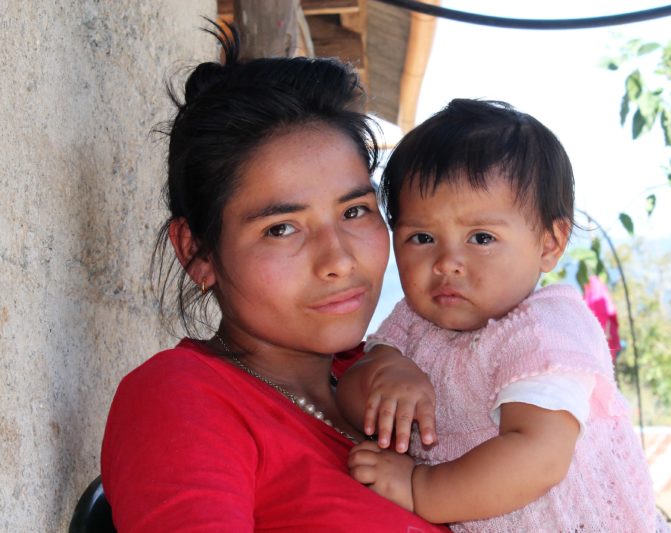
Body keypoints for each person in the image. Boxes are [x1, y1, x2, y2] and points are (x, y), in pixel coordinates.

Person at [100, 23, 448, 532]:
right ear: (197, 252)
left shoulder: (393, 377)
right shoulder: (182, 400)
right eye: (282, 228)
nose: (339, 260)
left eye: (354, 212)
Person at [340, 99, 668, 532]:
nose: (447, 262)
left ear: (550, 243)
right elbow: (350, 397)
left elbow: (539, 456)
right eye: (422, 237)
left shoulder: (545, 331)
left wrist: (422, 488)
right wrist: (384, 373)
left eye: (481, 237)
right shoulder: (411, 323)